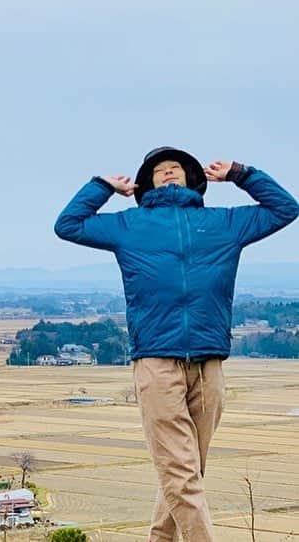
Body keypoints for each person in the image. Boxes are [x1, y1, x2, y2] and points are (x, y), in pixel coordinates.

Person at [54, 147, 298, 541]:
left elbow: (285, 209)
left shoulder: (224, 224)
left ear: (192, 178)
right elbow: (68, 224)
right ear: (146, 183)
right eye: (159, 170)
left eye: (176, 168)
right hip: (156, 361)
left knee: (186, 471)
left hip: (209, 362)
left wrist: (240, 173)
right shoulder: (129, 225)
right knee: (182, 475)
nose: (168, 173)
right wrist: (102, 187)